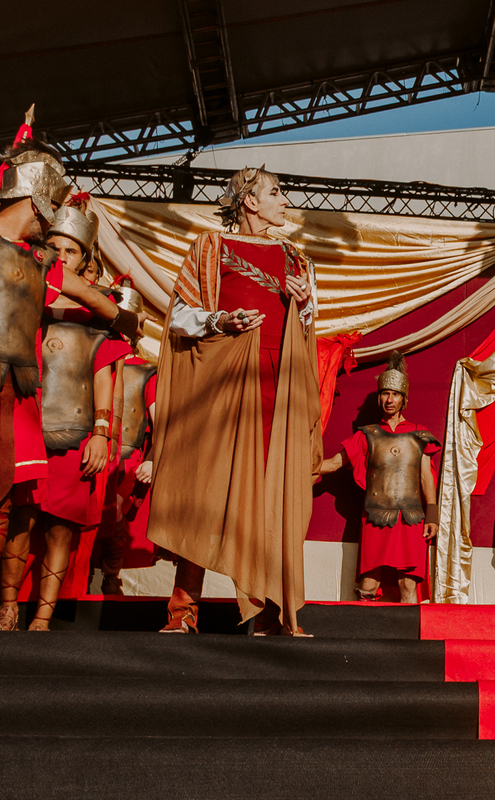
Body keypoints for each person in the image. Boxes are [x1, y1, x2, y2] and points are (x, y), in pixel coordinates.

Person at [146, 165, 321, 636]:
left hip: (277, 390)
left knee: (272, 495)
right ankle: (183, 611)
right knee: (208, 491)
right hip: (226, 383)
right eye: (276, 192)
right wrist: (220, 321)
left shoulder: (296, 258)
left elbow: (307, 327)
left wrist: (305, 304)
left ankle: (269, 614)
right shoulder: (211, 247)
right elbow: (179, 317)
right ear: (250, 201)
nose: (285, 201)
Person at [0, 147, 140, 631]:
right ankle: (7, 606)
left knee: (6, 507)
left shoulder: (40, 260)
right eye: (50, 212)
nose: (52, 225)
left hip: (22, 401)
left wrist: (122, 317)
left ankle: (22, 613)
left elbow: (88, 296)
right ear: (35, 201)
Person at [320, 352, 439, 604]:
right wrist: (296, 467)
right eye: (385, 393)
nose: (389, 399)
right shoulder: (367, 434)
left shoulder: (419, 433)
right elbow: (332, 464)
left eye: (395, 394)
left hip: (410, 518)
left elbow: (426, 477)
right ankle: (365, 631)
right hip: (375, 517)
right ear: (379, 397)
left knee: (408, 583)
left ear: (403, 398)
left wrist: (432, 515)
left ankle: (407, 631)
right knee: (369, 583)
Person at [99, 338, 158, 595]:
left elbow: (161, 422)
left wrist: (153, 458)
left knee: (113, 510)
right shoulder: (92, 358)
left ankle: (111, 574)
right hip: (92, 445)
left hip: (124, 455)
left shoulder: (146, 371)